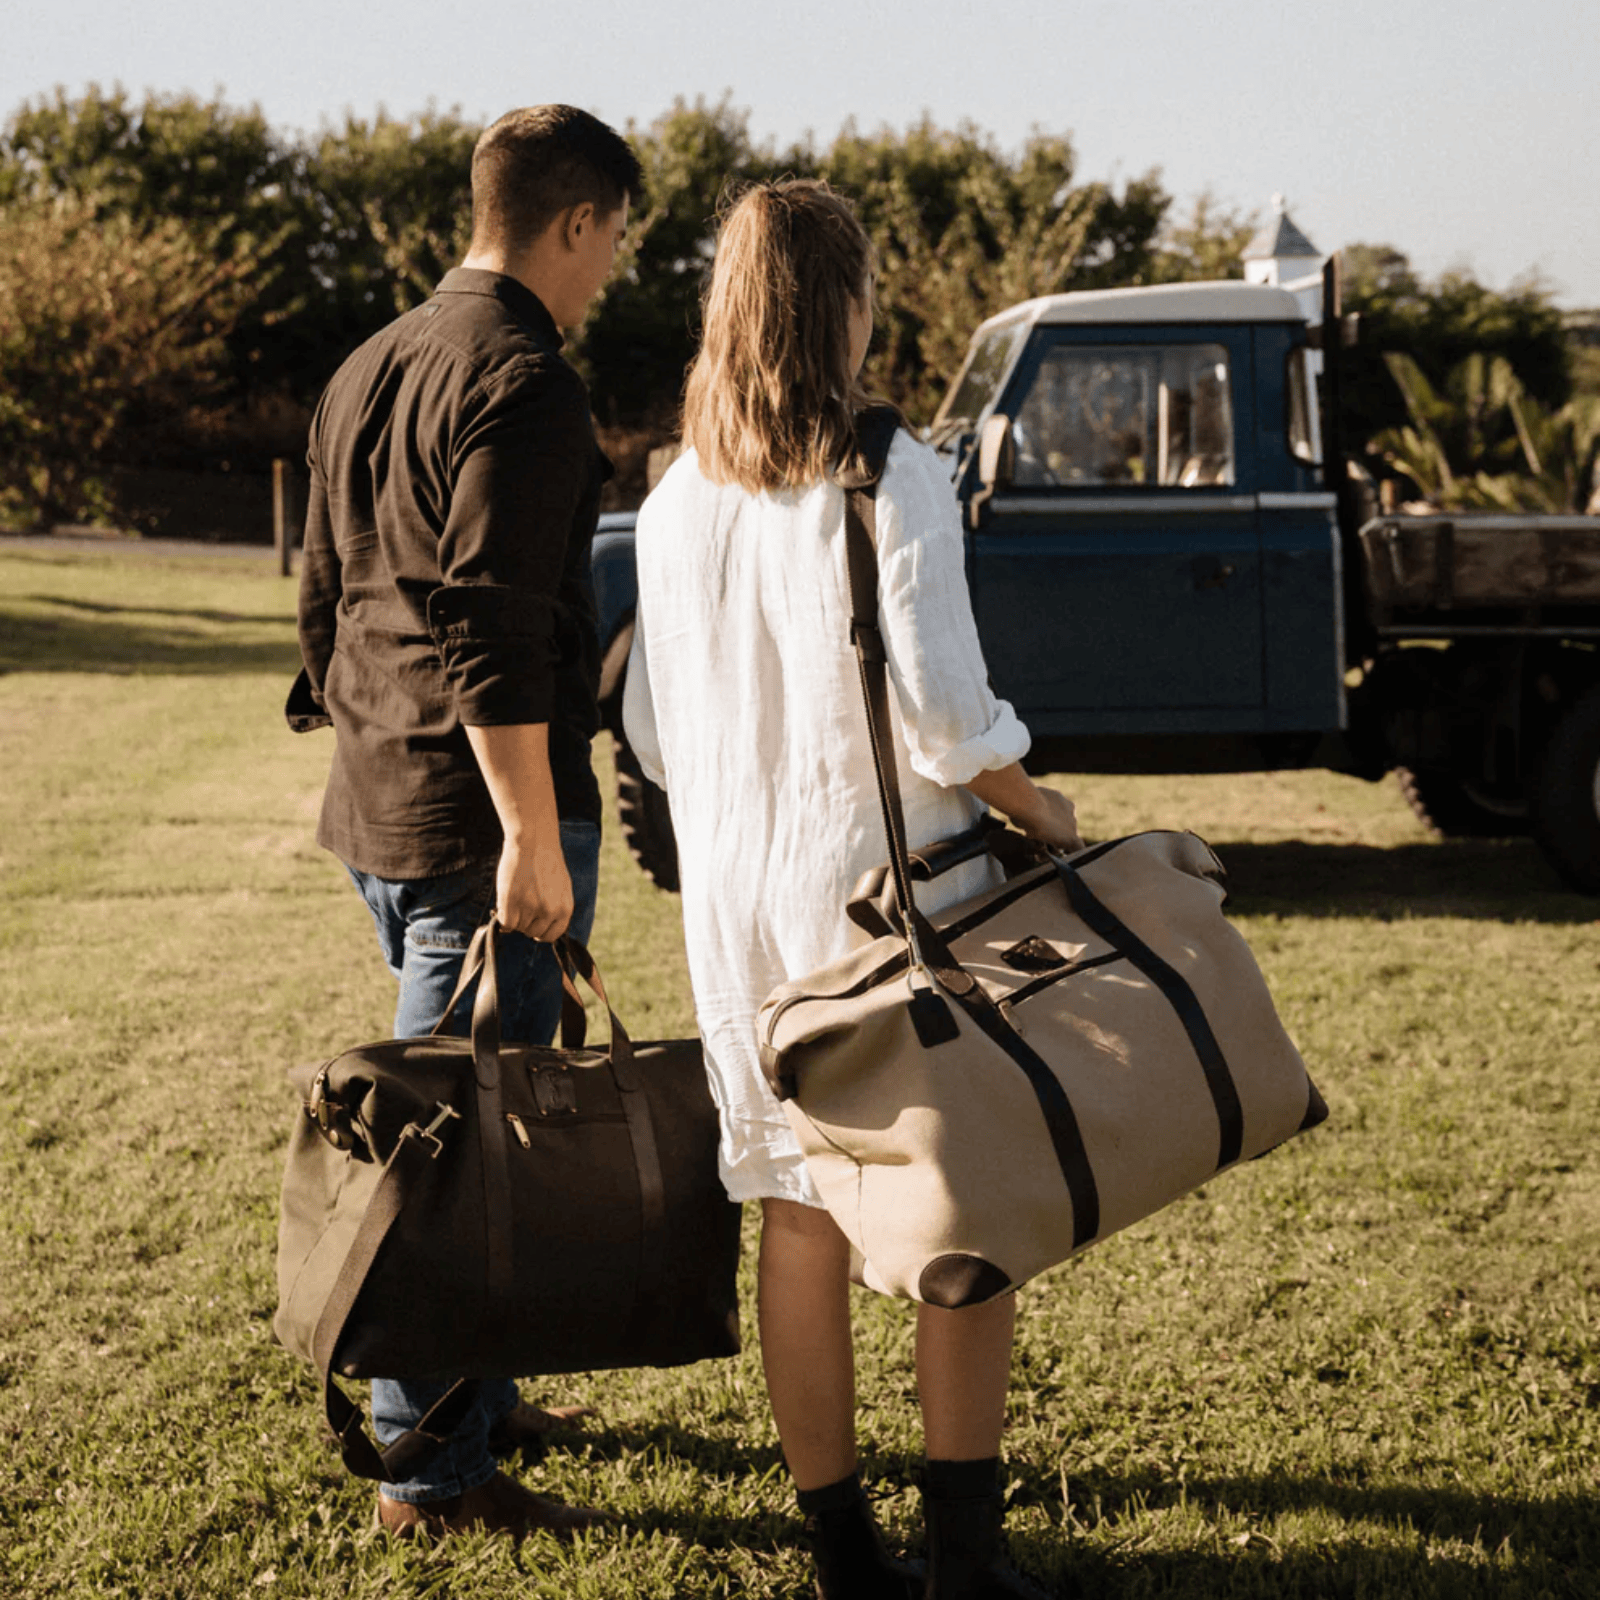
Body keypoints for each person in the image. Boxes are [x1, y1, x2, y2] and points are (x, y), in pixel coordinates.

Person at [622, 180, 1082, 1600]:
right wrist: (1034, 796)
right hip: (885, 900)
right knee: (969, 1213)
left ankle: (843, 1559)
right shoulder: (890, 465)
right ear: (850, 304)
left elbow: (648, 728)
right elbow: (946, 711)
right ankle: (964, 1557)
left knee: (796, 1216)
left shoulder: (672, 493)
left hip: (737, 913)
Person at [289, 104, 642, 1542]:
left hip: (380, 803)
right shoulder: (526, 381)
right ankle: (426, 1471)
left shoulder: (369, 361)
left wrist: (373, 738)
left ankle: (478, 1401)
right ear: (574, 223)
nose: (612, 268)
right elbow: (493, 625)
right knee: (451, 1148)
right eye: (614, 239)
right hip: (480, 822)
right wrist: (531, 834)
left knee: (480, 1127)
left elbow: (319, 595)